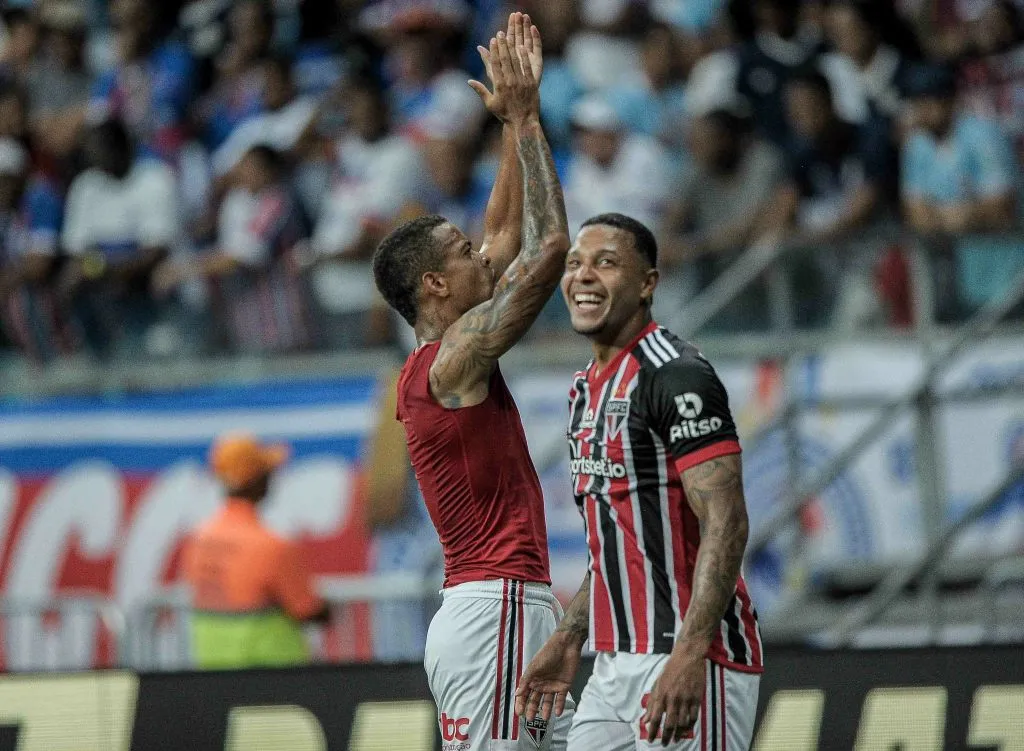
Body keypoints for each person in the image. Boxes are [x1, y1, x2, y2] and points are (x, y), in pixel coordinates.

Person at [372, 14, 575, 749]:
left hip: (501, 609)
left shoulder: (435, 363)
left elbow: (507, 228)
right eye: (462, 254)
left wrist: (509, 125)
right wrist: (525, 118)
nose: (480, 257)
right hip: (499, 611)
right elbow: (548, 248)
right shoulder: (454, 360)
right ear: (433, 285)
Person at [515, 213, 763, 750]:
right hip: (613, 661)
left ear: (648, 283)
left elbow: (727, 520)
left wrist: (691, 654)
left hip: (692, 655)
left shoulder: (675, 375)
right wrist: (569, 635)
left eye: (605, 263)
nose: (583, 276)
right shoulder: (585, 387)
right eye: (575, 263)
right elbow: (614, 539)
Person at [182, 432, 328, 669]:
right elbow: (309, 610)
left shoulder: (198, 540)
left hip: (211, 671)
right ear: (256, 480)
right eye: (267, 471)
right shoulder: (271, 546)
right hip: (273, 675)